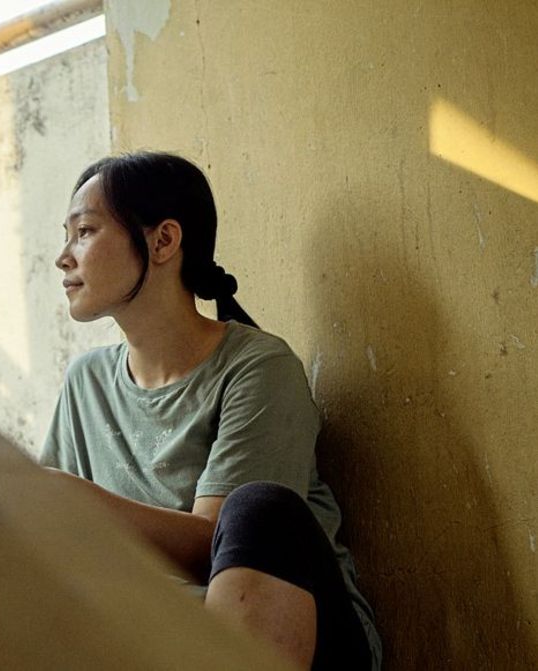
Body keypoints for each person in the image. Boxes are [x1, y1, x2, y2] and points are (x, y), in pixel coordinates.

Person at [39, 152, 381, 670]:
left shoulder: (258, 367)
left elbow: (217, 548)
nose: (64, 257)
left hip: (299, 638)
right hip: (151, 641)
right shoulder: (85, 381)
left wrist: (73, 500)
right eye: (66, 236)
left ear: (163, 241)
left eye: (84, 231)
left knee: (258, 508)